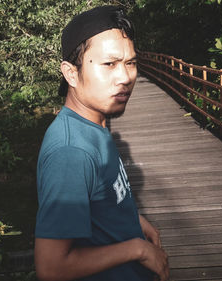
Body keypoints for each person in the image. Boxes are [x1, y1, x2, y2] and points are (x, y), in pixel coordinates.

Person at [34, 6, 169, 281]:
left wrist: (135, 221)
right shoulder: (70, 153)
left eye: (130, 63)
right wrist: (138, 250)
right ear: (71, 73)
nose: (125, 78)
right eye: (109, 64)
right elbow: (51, 267)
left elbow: (101, 195)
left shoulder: (94, 122)